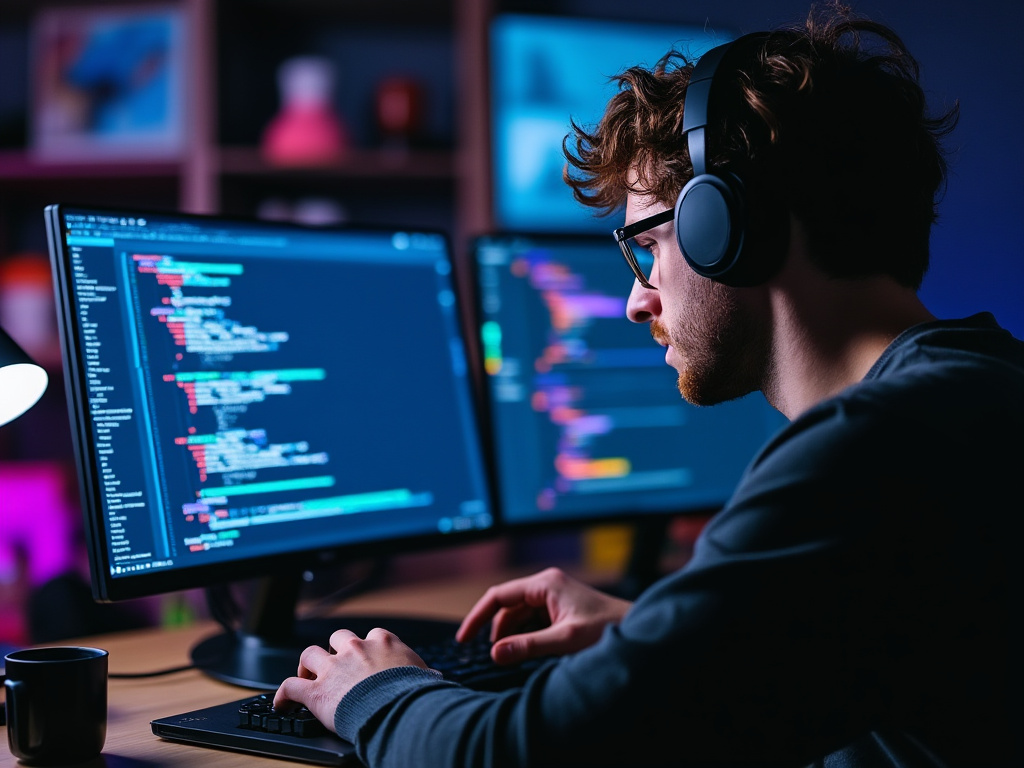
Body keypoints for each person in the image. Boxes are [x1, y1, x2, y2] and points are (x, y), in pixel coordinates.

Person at [274, 4, 1024, 766]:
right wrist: (660, 639)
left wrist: (375, 690)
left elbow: (515, 756)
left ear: (730, 227)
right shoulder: (982, 385)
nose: (637, 300)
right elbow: (859, 658)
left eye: (648, 248)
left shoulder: (864, 454)